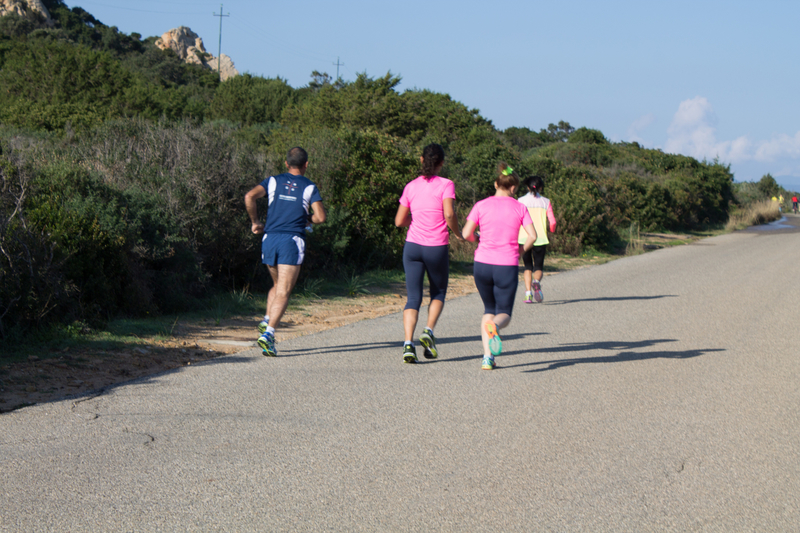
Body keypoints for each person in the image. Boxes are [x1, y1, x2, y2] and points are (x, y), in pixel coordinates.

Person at [244, 147, 326, 357]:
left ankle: (266, 320)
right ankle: (269, 333)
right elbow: (321, 217)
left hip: (269, 239)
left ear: (286, 163)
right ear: (306, 164)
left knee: (277, 285)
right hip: (291, 240)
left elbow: (250, 196)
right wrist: (307, 218)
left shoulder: (272, 181)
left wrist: (255, 222)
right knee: (284, 291)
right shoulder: (309, 186)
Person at [462, 162, 536, 370]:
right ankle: (495, 326)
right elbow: (533, 236)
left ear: (496, 184)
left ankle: (487, 358)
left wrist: (478, 240)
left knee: (489, 309)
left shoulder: (481, 205)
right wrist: (520, 250)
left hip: (482, 264)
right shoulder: (520, 207)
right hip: (506, 264)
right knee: (503, 313)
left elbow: (467, 233)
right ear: (514, 188)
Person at [395, 143, 464, 363]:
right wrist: (459, 233)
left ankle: (408, 344)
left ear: (421, 160)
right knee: (438, 293)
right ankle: (428, 331)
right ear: (441, 163)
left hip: (412, 246)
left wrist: (413, 220)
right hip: (436, 247)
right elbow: (449, 214)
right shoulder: (446, 184)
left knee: (413, 297)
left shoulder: (411, 186)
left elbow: (399, 221)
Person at [517, 175, 557, 303]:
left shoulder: (520, 201)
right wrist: (551, 231)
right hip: (540, 239)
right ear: (540, 187)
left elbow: (516, 219)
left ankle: (528, 295)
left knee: (527, 267)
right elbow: (553, 222)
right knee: (538, 266)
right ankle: (536, 281)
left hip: (524, 238)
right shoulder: (546, 202)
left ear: (527, 187)